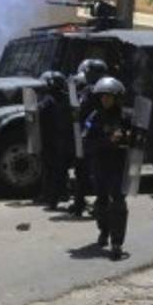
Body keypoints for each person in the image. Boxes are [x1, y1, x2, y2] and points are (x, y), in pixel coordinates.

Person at [83, 76, 136, 260]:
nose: (105, 100)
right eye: (103, 96)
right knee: (101, 203)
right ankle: (104, 231)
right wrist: (107, 140)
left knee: (119, 204)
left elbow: (140, 139)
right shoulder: (93, 117)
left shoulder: (127, 116)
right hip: (100, 164)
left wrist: (128, 136)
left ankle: (117, 242)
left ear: (117, 98)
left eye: (109, 96)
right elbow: (86, 141)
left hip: (120, 165)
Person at [68, 58, 109, 216]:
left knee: (89, 172)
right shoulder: (104, 90)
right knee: (88, 171)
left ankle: (91, 205)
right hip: (93, 137)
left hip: (91, 138)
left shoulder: (91, 91)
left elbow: (81, 110)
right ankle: (83, 203)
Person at [36, 70, 73, 210]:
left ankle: (51, 198)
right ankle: (63, 194)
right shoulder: (68, 98)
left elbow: (40, 112)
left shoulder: (48, 99)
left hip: (52, 140)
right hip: (65, 140)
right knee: (61, 170)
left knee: (51, 170)